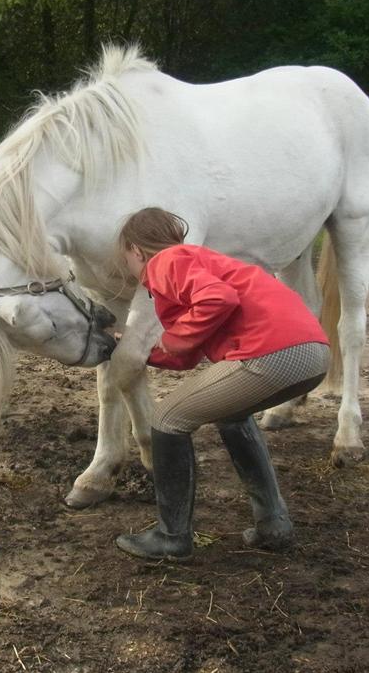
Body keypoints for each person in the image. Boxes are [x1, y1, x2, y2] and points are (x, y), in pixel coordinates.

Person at [115, 207, 330, 560]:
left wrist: (172, 339)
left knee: (166, 419)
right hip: (312, 354)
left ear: (136, 250)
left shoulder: (167, 261)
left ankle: (171, 538)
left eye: (126, 258)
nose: (129, 267)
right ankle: (273, 524)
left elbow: (218, 299)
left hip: (271, 354)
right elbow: (188, 353)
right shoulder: (200, 263)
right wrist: (144, 353)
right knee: (232, 417)